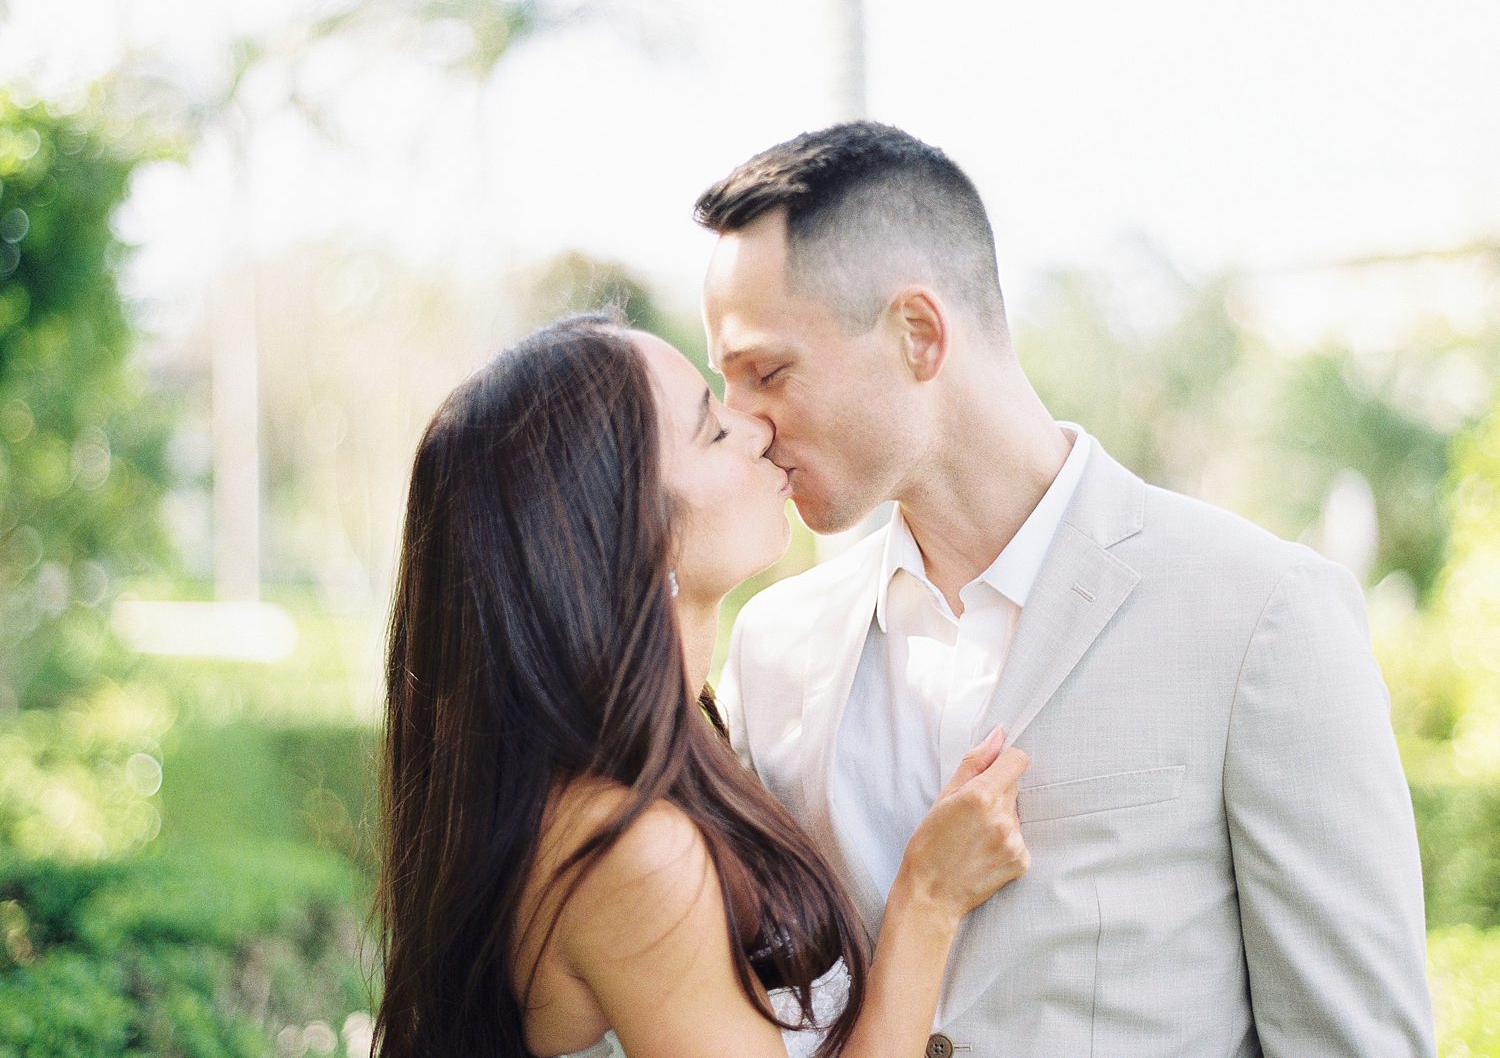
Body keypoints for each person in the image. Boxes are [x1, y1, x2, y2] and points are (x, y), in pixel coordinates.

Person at [698, 123, 1435, 1056]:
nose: (745, 426)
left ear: (919, 334)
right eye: (725, 388)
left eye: (767, 372)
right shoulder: (772, 648)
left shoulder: (1264, 616)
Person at [372, 314, 1032, 1058]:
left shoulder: (637, 769)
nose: (753, 427)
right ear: (634, 534)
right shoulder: (633, 852)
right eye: (713, 430)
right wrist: (930, 899)